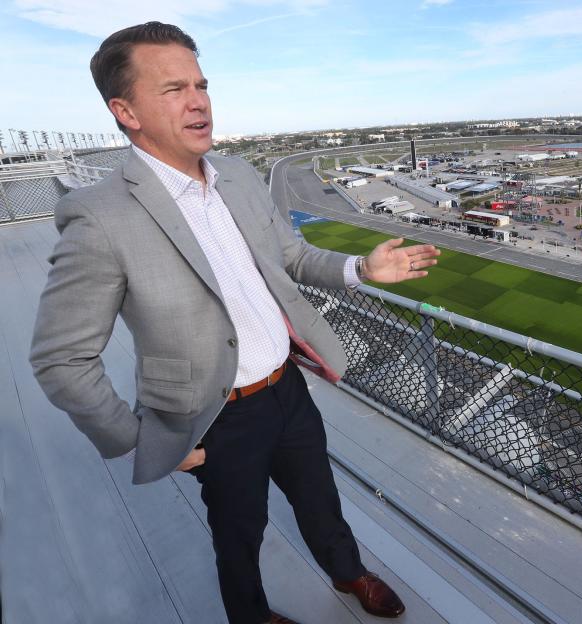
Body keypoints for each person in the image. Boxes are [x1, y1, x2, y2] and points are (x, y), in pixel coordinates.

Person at [29, 21, 440, 624]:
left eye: (200, 84)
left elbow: (293, 257)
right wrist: (141, 439)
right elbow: (60, 360)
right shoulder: (100, 216)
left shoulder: (240, 176)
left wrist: (362, 268)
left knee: (320, 499)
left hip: (286, 388)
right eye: (173, 89)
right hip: (213, 418)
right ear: (126, 111)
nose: (198, 100)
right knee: (238, 534)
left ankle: (348, 571)